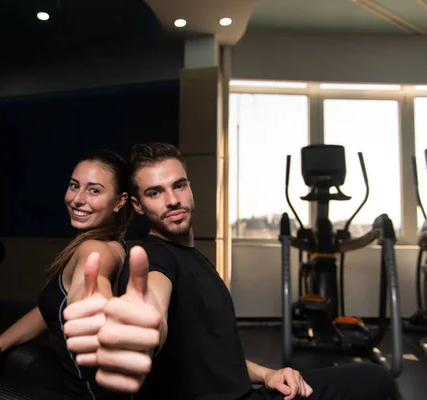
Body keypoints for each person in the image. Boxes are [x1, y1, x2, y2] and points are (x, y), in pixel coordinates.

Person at [64, 142, 397, 400]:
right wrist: (141, 332)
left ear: (190, 188)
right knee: (373, 380)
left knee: (370, 377)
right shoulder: (155, 258)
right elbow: (153, 305)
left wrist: (267, 374)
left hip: (249, 392)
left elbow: (212, 357)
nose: (172, 200)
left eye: (178, 186)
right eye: (155, 192)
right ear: (137, 205)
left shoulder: (191, 256)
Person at [0, 149, 135, 400]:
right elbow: (45, 310)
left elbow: (91, 286)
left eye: (94, 190)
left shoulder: (96, 251)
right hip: (73, 379)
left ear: (119, 201)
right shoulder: (106, 241)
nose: (77, 199)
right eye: (74, 186)